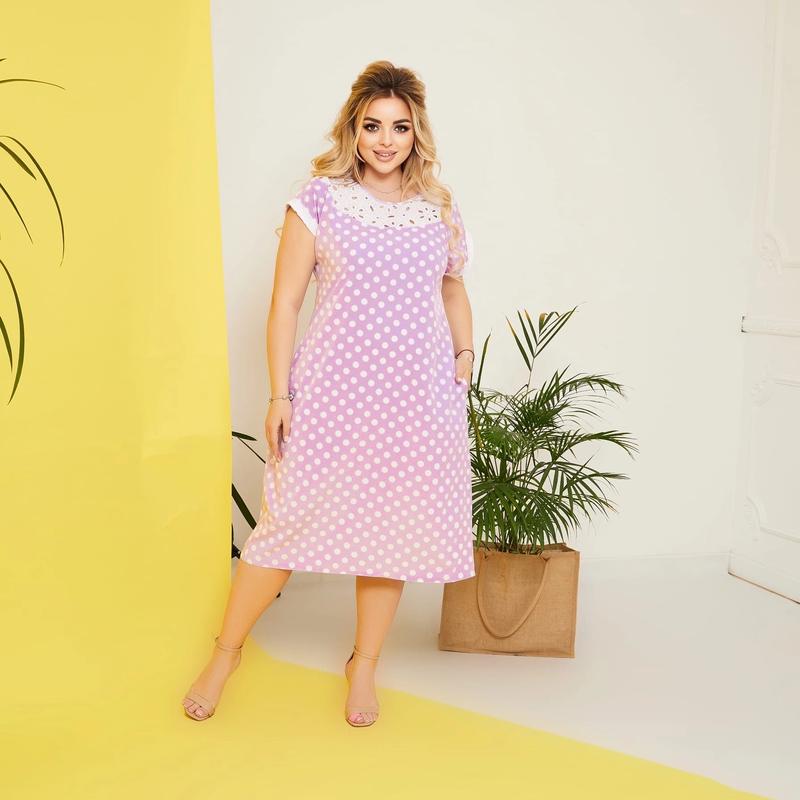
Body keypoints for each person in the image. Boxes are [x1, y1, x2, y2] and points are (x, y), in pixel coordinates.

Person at [182, 60, 475, 728]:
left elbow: (453, 288)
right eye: (373, 125)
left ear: (416, 133)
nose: (385, 140)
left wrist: (462, 354)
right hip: (331, 394)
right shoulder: (318, 200)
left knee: (391, 535)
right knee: (282, 527)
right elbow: (285, 303)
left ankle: (363, 665)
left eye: (399, 127)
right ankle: (226, 654)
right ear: (353, 129)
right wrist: (279, 396)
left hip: (416, 400)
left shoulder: (439, 209)